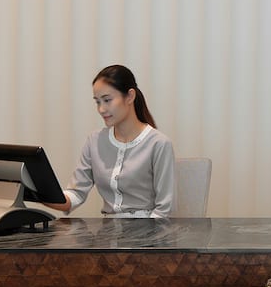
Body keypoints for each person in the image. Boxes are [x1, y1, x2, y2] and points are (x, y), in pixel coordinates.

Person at [48, 64, 176, 219]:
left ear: (130, 96)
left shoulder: (159, 144)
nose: (101, 109)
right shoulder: (94, 141)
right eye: (97, 102)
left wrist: (143, 240)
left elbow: (164, 210)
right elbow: (75, 195)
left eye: (107, 100)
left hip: (147, 236)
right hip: (108, 237)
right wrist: (39, 193)